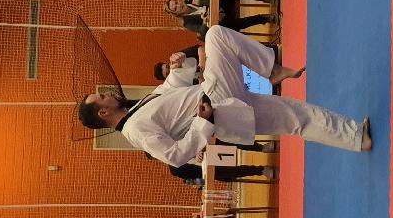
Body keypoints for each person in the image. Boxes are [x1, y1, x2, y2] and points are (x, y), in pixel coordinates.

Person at [79, 25, 371, 165]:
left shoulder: (138, 109)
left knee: (298, 117)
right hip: (214, 105)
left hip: (221, 103)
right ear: (103, 113)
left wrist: (180, 66)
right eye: (101, 98)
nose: (107, 94)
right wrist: (202, 123)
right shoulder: (136, 131)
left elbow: (170, 88)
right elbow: (175, 156)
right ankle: (270, 71)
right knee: (215, 35)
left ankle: (357, 137)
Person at [166, 0, 271, 37]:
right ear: (176, 14)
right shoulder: (186, 23)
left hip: (219, 9)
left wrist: (217, 8)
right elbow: (202, 32)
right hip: (220, 24)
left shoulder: (192, 0)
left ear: (179, 0)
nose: (178, 6)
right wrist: (204, 21)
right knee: (229, 24)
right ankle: (263, 18)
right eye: (175, 8)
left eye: (176, 3)